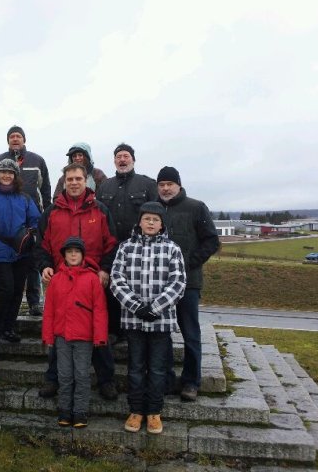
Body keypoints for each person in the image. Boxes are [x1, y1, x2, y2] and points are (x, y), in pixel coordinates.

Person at [34, 162, 119, 400]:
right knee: (59, 331)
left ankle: (106, 380)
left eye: (78, 179)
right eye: (69, 179)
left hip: (92, 281)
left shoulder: (100, 210)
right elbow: (41, 245)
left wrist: (105, 269)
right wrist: (45, 265)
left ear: (86, 181)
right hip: (61, 280)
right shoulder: (51, 212)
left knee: (98, 328)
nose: (73, 183)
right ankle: (53, 379)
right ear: (64, 182)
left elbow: (112, 244)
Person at [110, 202, 186, 435]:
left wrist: (154, 308)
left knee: (157, 369)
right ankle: (136, 411)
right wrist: (137, 306)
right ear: (140, 221)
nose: (151, 223)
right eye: (147, 219)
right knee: (135, 368)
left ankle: (154, 411)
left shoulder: (172, 249)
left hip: (160, 321)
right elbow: (116, 280)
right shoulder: (126, 247)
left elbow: (178, 283)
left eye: (155, 219)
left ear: (161, 224)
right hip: (134, 320)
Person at [156, 166, 220, 402]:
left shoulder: (196, 207)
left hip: (188, 283)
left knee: (190, 333)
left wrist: (189, 263)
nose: (165, 188)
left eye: (169, 184)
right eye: (161, 184)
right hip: (160, 285)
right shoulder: (153, 209)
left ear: (179, 185)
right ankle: (167, 379)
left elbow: (211, 241)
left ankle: (191, 381)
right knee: (162, 334)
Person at [0, 125, 50, 317]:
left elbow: (45, 187)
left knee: (32, 264)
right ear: (8, 140)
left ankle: (34, 302)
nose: (15, 139)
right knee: (6, 281)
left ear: (24, 139)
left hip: (31, 219)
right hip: (3, 227)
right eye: (12, 136)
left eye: (18, 136)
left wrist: (46, 212)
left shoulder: (37, 160)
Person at [42, 237, 108, 429]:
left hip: (84, 338)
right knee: (64, 375)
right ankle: (65, 410)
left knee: (81, 375)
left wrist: (100, 337)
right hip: (62, 337)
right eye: (69, 252)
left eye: (76, 251)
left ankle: (80, 411)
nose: (73, 255)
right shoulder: (56, 280)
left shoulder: (92, 279)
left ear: (83, 255)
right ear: (64, 255)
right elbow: (49, 310)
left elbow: (100, 310)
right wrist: (48, 336)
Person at [0, 159, 40, 356]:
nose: (6, 175)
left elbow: (35, 220)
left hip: (22, 250)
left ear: (15, 176)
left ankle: (9, 327)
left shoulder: (25, 198)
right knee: (4, 290)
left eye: (10, 172)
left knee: (17, 291)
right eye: (3, 172)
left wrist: (30, 235)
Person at [96, 143, 158, 339]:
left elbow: (157, 216)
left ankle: (137, 332)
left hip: (140, 250)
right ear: (114, 161)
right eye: (119, 157)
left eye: (126, 156)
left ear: (133, 159)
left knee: (137, 288)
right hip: (111, 249)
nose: (122, 160)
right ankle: (114, 331)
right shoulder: (104, 186)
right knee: (112, 289)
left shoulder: (147, 185)